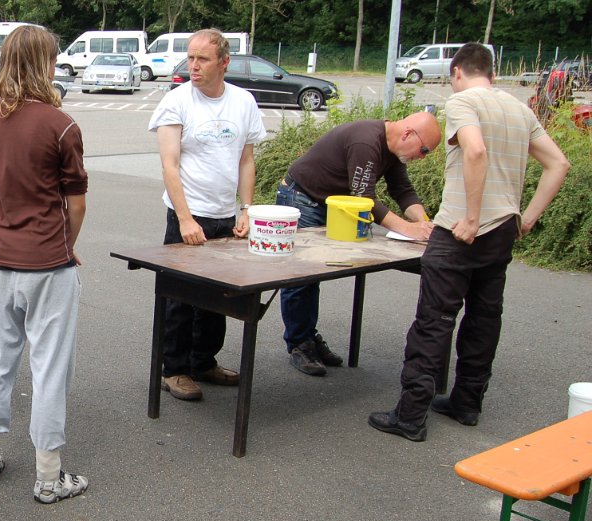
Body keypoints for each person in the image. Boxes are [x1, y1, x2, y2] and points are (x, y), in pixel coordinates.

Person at [370, 43, 570, 442]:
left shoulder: (462, 103)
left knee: (434, 321)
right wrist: (526, 217)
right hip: (502, 232)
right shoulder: (519, 109)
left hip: (461, 230)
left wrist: (473, 217)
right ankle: (466, 403)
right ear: (491, 72)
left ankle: (410, 416)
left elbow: (474, 150)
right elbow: (559, 163)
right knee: (484, 319)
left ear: (458, 72)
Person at [0, 25, 90, 504]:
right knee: (49, 367)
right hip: (47, 263)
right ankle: (48, 474)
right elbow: (75, 205)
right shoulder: (60, 124)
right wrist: (66, 243)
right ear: (45, 62)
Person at [147, 28, 266, 401]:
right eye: (190, 58)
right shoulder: (177, 101)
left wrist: (245, 209)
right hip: (188, 213)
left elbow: (246, 160)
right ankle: (175, 369)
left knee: (218, 298)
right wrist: (184, 218)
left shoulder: (243, 102)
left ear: (224, 62)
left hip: (225, 216)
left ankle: (203, 362)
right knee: (181, 298)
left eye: (202, 59)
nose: (193, 66)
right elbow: (170, 165)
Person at [277, 111, 440, 375]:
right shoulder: (366, 142)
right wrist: (409, 229)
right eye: (424, 150)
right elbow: (364, 198)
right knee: (303, 273)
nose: (422, 157)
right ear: (409, 133)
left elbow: (402, 190)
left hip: (333, 204)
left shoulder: (392, 148)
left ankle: (307, 333)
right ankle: (299, 342)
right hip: (303, 197)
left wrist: (423, 223)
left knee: (317, 271)